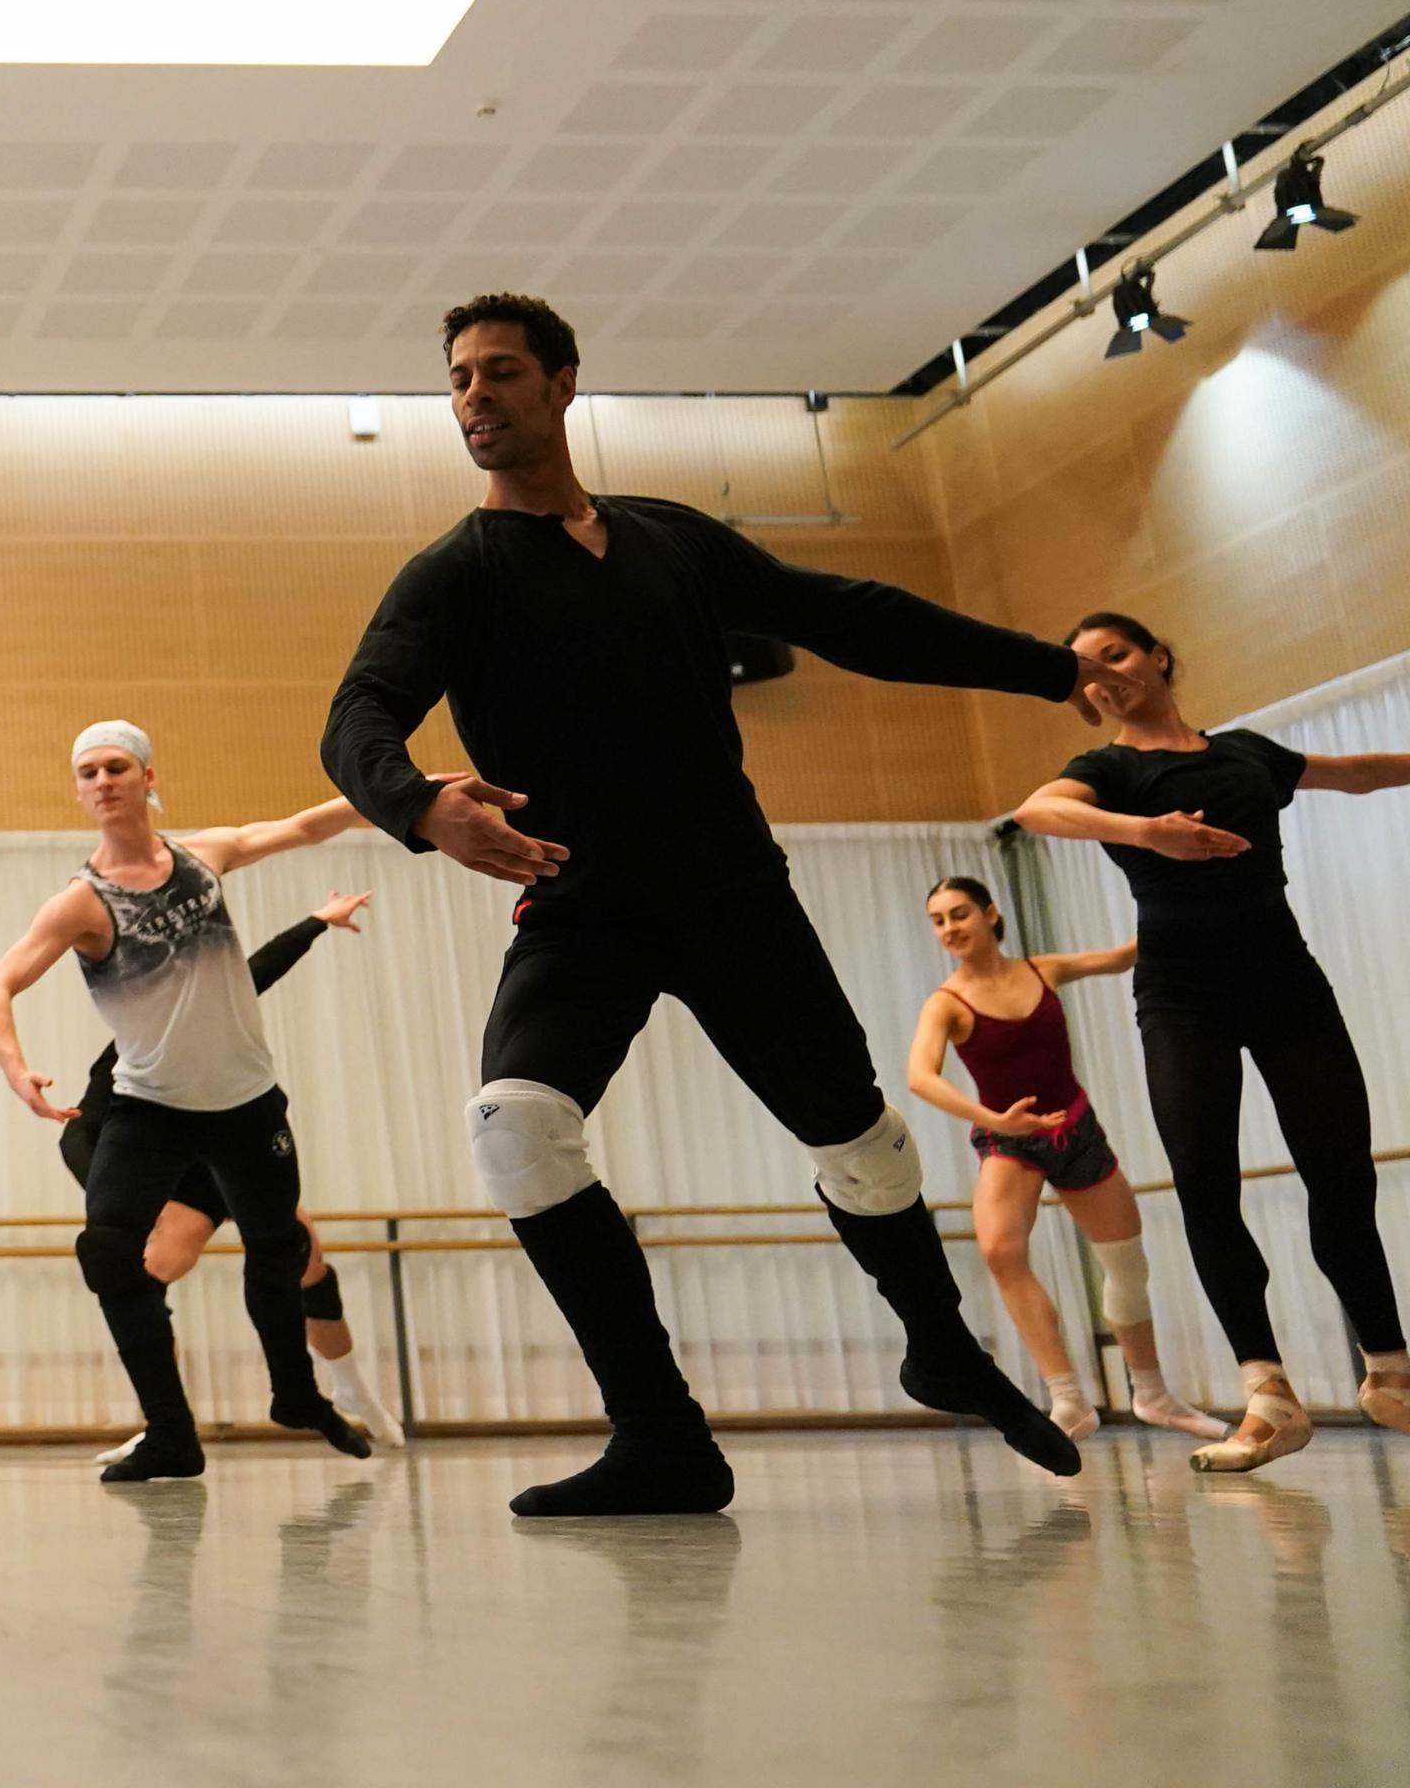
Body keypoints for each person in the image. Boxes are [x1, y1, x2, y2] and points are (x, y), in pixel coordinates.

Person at [320, 293, 1096, 1518]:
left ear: (564, 384)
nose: (475, 396)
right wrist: (419, 805)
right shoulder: (453, 575)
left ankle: (939, 1343)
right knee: (517, 1127)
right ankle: (661, 1434)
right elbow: (355, 718)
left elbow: (848, 617)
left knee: (862, 1138)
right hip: (581, 908)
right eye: (459, 379)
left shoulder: (671, 539)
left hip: (734, 896)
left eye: (502, 372)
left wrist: (1050, 668)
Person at [1012, 612, 1410, 1471]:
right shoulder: (1108, 769)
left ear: (1157, 655)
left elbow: (1365, 771)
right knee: (1207, 1184)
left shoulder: (1247, 753)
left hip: (1285, 980)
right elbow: (1039, 811)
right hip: (1181, 995)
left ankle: (1389, 1372)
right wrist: (1148, 832)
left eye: (1114, 654)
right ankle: (1269, 1393)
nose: (1103, 674)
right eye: (1083, 671)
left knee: (1342, 1174)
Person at [0, 720, 380, 1481]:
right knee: (108, 1252)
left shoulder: (205, 856)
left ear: (148, 779)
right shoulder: (80, 903)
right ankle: (170, 1434)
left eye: (117, 767)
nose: (103, 780)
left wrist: (403, 795)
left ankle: (296, 1397)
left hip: (246, 1104)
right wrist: (15, 1068)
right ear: (78, 791)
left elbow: (303, 825)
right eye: (88, 772)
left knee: (279, 1250)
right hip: (150, 1108)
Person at [55, 895, 403, 1453]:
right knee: (141, 1281)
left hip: (236, 1159)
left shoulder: (209, 1013)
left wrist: (315, 921)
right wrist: (134, 1203)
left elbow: (257, 970)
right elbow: (75, 1134)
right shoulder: (125, 1059)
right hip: (185, 1187)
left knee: (306, 1261)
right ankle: (162, 1419)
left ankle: (351, 1388)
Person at [902, 873, 1225, 1443]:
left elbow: (1123, 956)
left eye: (959, 914)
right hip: (1009, 1139)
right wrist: (995, 1120)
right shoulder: (945, 1003)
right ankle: (1068, 1399)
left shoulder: (1041, 970)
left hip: (1075, 1129)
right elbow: (919, 1077)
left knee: (1126, 1262)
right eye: (938, 920)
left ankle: (1151, 1393)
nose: (950, 928)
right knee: (1001, 1252)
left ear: (990, 914)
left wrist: (1193, 903)